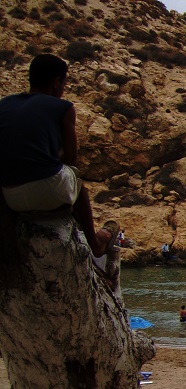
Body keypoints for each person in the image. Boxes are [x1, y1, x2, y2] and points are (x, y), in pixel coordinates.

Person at [0, 55, 111, 269]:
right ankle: (96, 243)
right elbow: (71, 161)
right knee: (78, 183)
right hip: (48, 191)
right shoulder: (63, 108)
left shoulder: (4, 105)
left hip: (10, 195)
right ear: (56, 82)